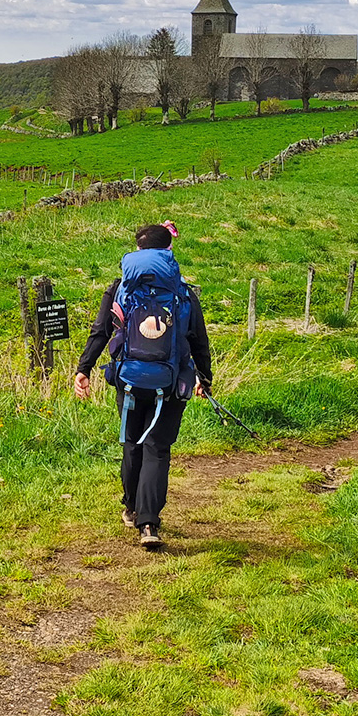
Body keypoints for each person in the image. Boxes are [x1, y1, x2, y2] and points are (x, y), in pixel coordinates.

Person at [73, 221, 213, 550]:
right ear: (170, 251)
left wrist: (84, 369)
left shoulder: (120, 288)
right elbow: (199, 341)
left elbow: (101, 332)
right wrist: (203, 379)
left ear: (136, 250)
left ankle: (131, 507)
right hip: (171, 382)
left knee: (132, 444)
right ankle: (148, 523)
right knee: (157, 450)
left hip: (129, 380)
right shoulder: (184, 292)